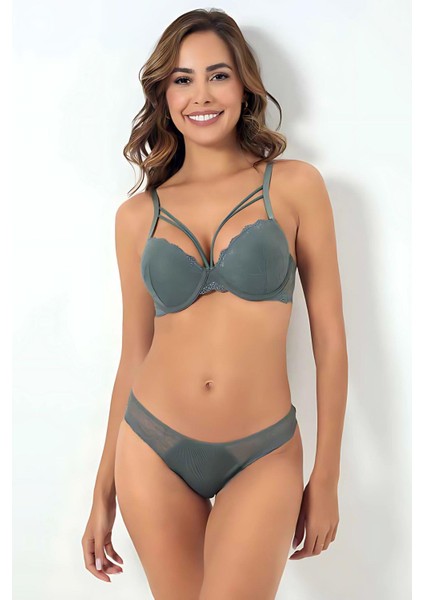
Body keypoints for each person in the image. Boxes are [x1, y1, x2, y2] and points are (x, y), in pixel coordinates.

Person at [81, 8, 348, 599]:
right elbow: (134, 353)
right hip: (152, 446)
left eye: (218, 75)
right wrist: (102, 492)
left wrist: (327, 476)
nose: (200, 94)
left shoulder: (295, 185)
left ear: (244, 86)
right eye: (183, 79)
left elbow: (330, 341)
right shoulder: (136, 217)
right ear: (164, 95)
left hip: (264, 451)